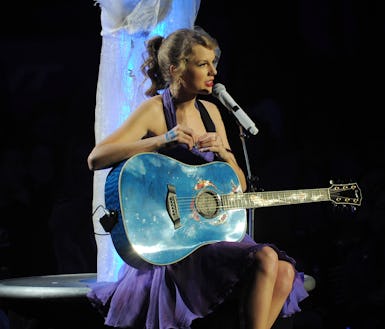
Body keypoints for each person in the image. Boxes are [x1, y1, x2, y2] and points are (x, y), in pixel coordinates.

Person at [86, 26, 309, 329]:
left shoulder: (212, 112)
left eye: (213, 63)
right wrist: (162, 139)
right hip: (177, 241)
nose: (213, 71)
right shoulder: (153, 111)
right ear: (176, 69)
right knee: (266, 257)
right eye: (203, 64)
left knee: (283, 272)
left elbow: (239, 187)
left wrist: (225, 154)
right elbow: (96, 158)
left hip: (211, 233)